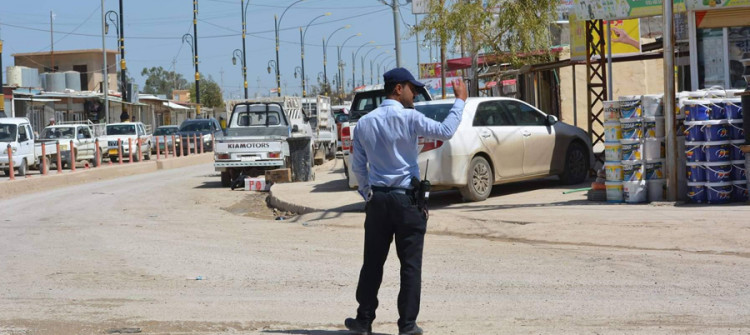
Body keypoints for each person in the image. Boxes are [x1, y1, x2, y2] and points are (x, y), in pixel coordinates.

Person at [345, 68, 468, 335]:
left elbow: (358, 167)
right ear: (398, 89)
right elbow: (446, 130)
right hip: (407, 202)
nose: (415, 94)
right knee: (410, 266)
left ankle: (363, 321)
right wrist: (460, 100)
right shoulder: (410, 118)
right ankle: (407, 326)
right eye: (412, 88)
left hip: (378, 201)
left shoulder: (365, 123)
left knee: (372, 263)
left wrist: (368, 194)